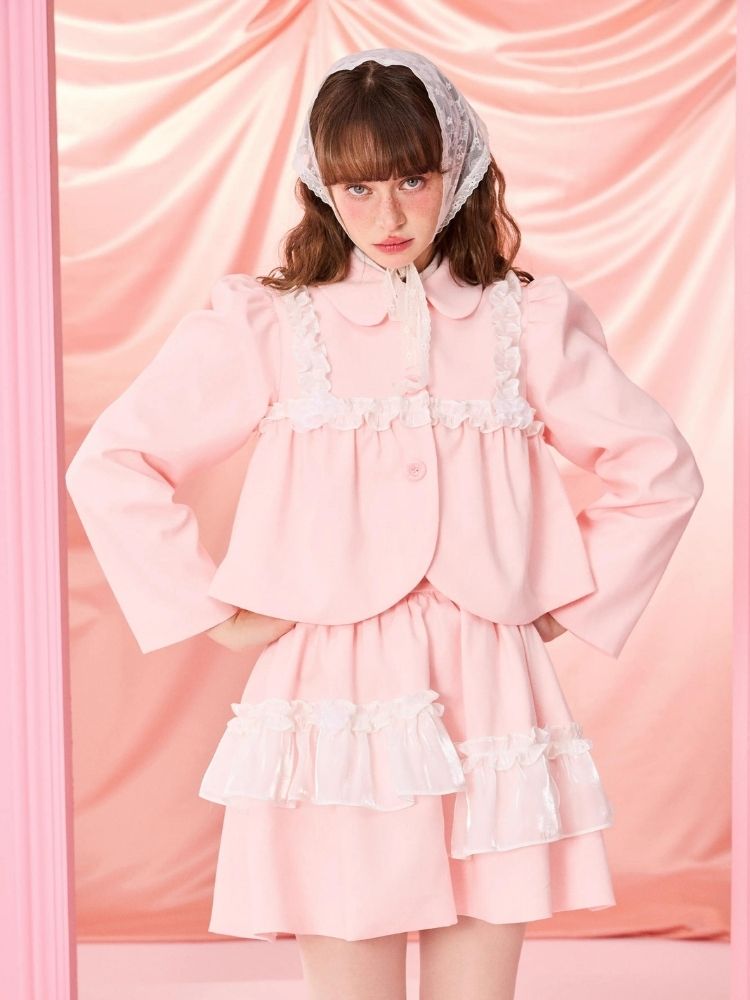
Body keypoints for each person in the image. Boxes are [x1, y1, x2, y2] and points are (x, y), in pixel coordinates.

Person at [65, 48, 704, 1000]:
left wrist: (563, 602)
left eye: (413, 179)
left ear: (460, 169)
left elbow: (660, 467)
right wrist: (215, 611)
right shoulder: (273, 325)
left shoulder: (522, 320)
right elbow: (115, 462)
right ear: (322, 188)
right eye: (358, 188)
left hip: (488, 686)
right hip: (335, 692)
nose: (389, 215)